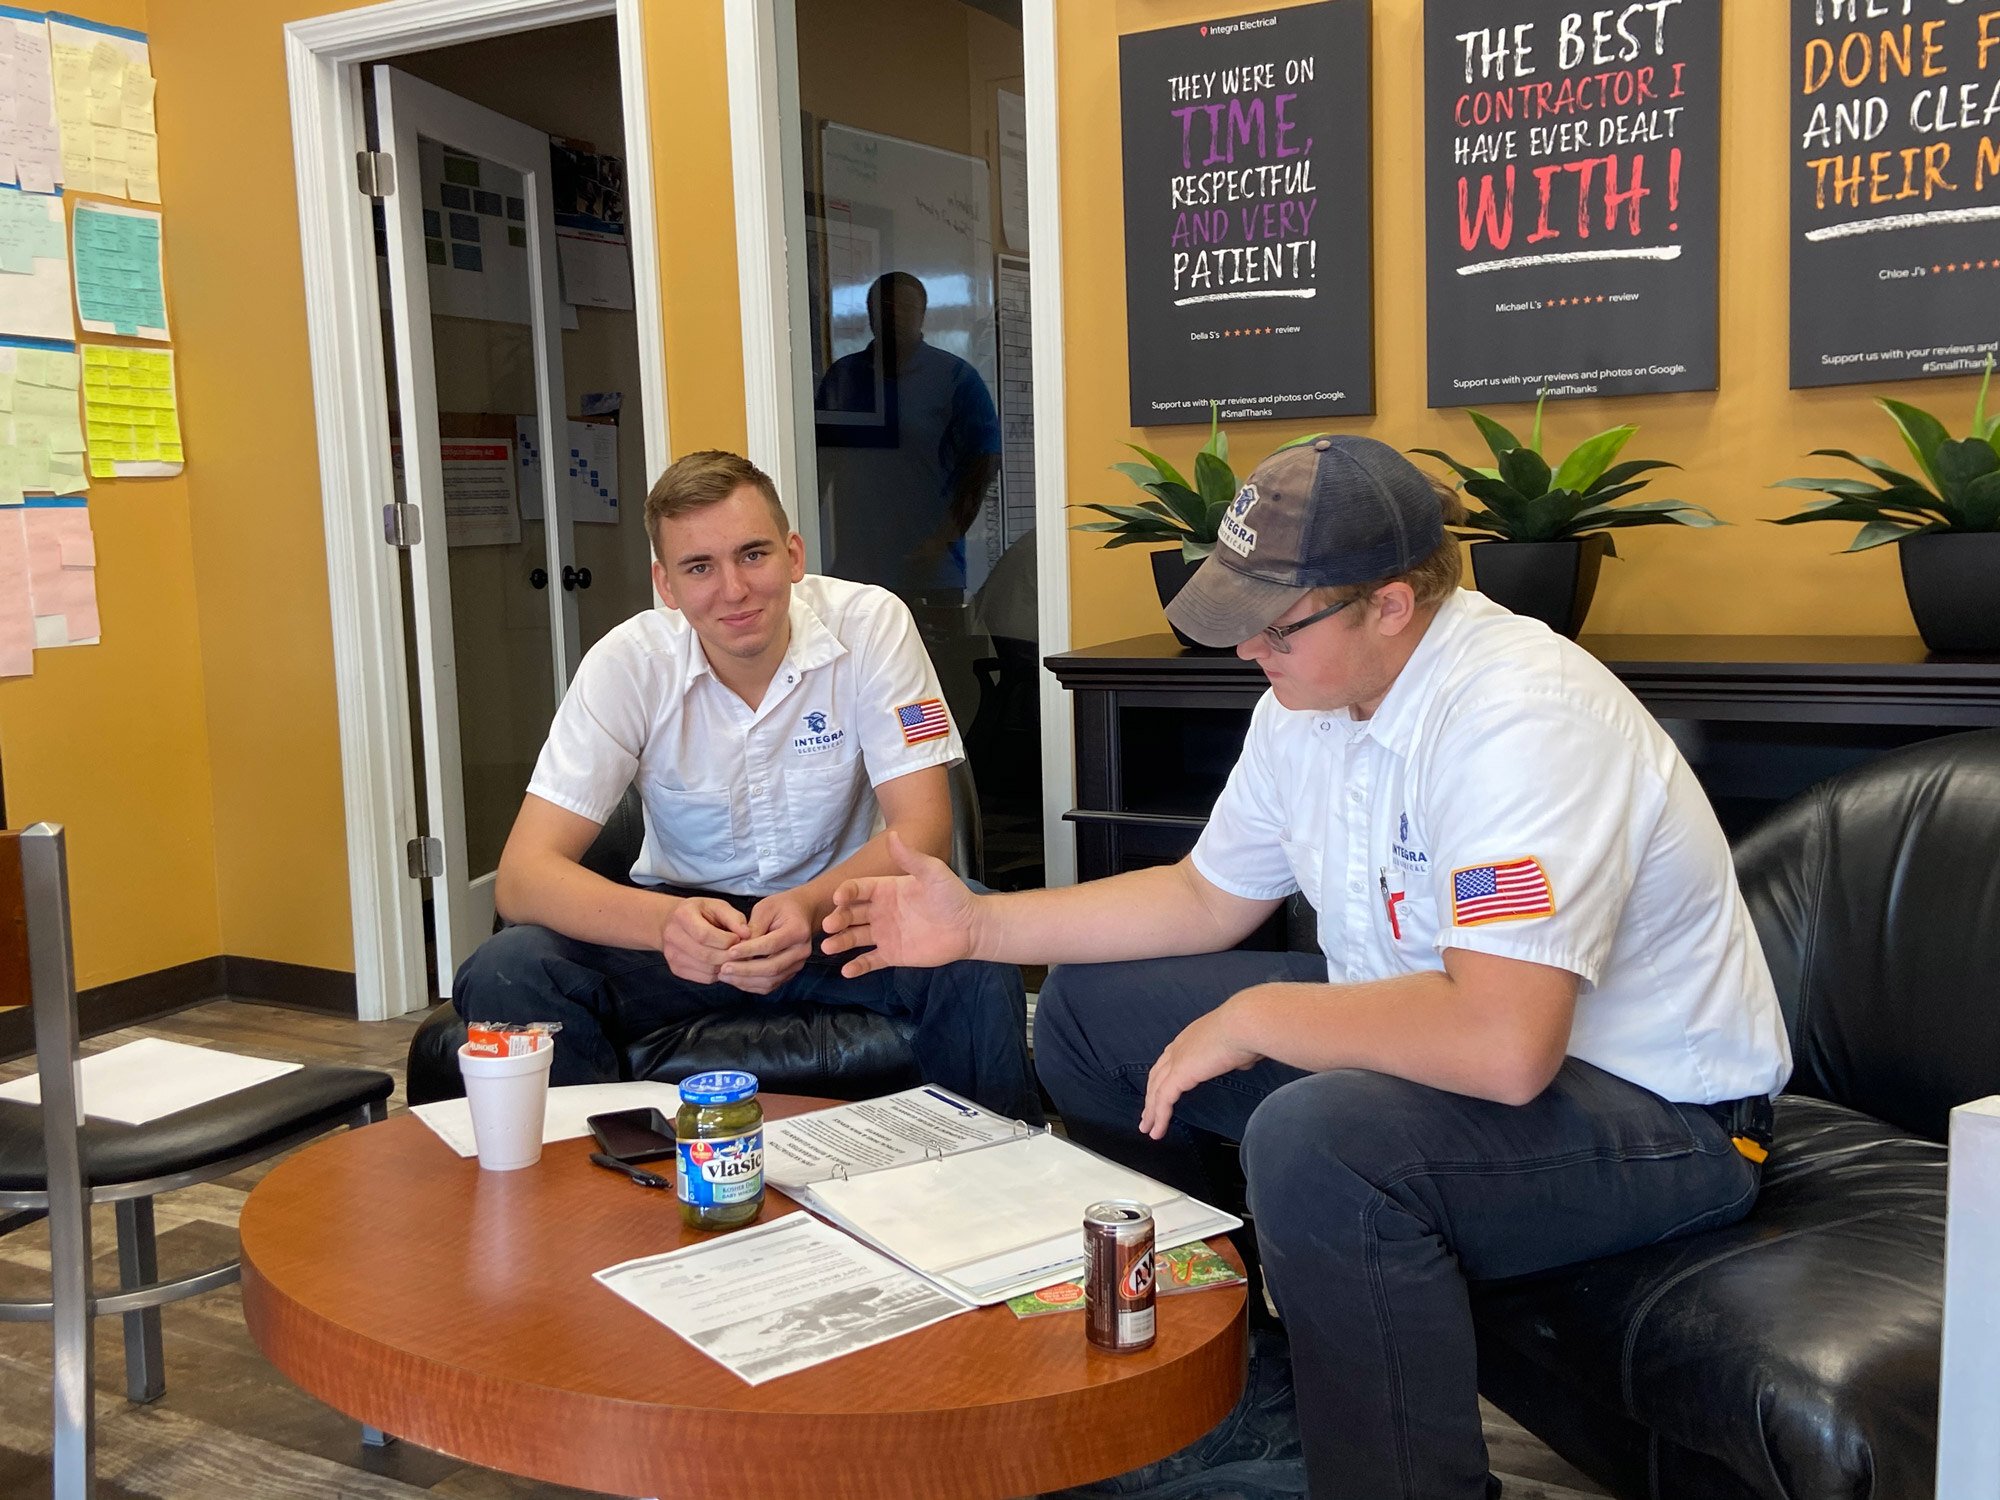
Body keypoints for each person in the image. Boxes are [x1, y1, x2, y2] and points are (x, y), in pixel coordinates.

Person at [820, 435, 1792, 1499]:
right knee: (1088, 1016)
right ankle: (1235, 1390)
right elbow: (1203, 897)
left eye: (1276, 625)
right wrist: (976, 927)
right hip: (1441, 1043)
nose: (1248, 650)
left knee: (1317, 1140)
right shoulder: (1308, 702)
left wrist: (1256, 1016)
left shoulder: (1522, 718)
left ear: (1390, 605)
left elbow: (1502, 1044)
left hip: (1660, 1118)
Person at [453, 449, 1038, 1123]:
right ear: (666, 584)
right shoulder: (627, 664)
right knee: (508, 967)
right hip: (682, 930)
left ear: (793, 555)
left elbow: (923, 831)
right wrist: (666, 926)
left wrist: (809, 907)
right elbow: (523, 878)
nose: (733, 590)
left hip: (841, 913)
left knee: (975, 942)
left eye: (752, 555)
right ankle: (604, 1176)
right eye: (699, 567)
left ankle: (997, 1167)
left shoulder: (872, 624)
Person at [814, 270, 1002, 601]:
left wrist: (941, 540)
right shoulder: (843, 377)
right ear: (870, 314)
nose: (894, 315)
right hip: (856, 574)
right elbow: (818, 464)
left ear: (922, 314)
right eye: (884, 307)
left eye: (905, 307)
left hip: (929, 572)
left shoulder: (955, 378)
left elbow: (984, 463)